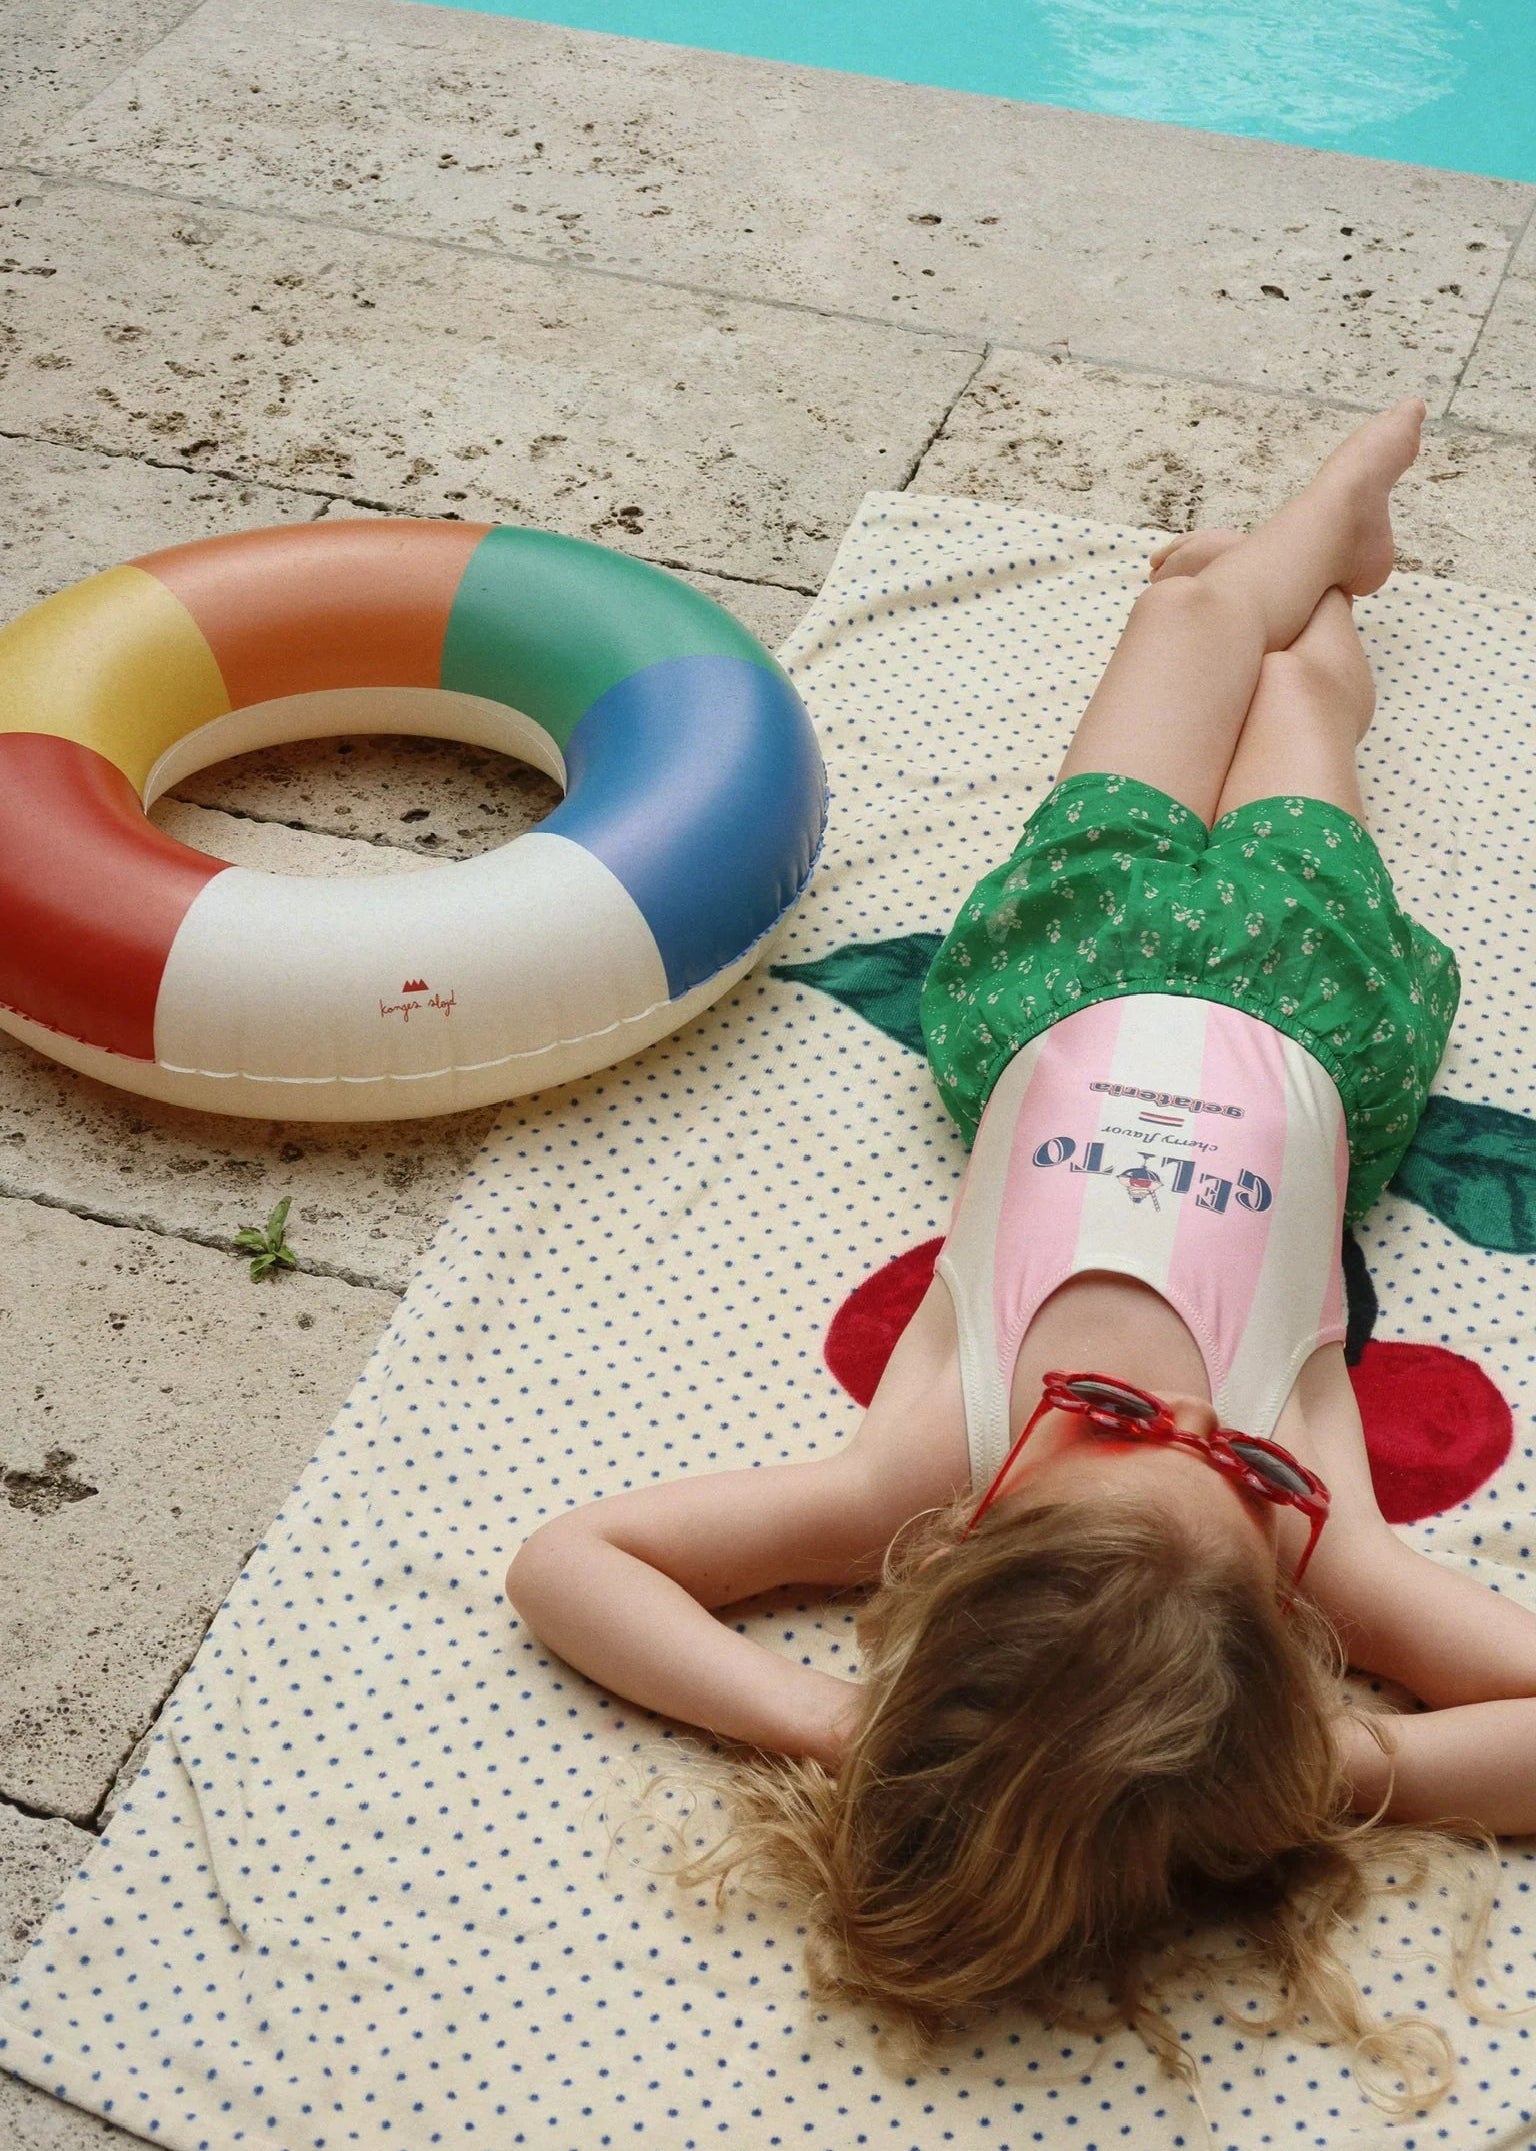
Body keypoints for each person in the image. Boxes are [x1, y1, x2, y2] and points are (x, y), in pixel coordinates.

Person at [506, 401, 1536, 2100]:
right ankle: (1328, 559)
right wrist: (1337, 1776)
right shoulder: (1309, 1538)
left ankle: (1328, 550)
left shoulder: (937, 1462)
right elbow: (574, 1564)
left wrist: (842, 1736)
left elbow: (560, 1567)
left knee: (1223, 647)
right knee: (1246, 656)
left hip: (1078, 970)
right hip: (1298, 1000)